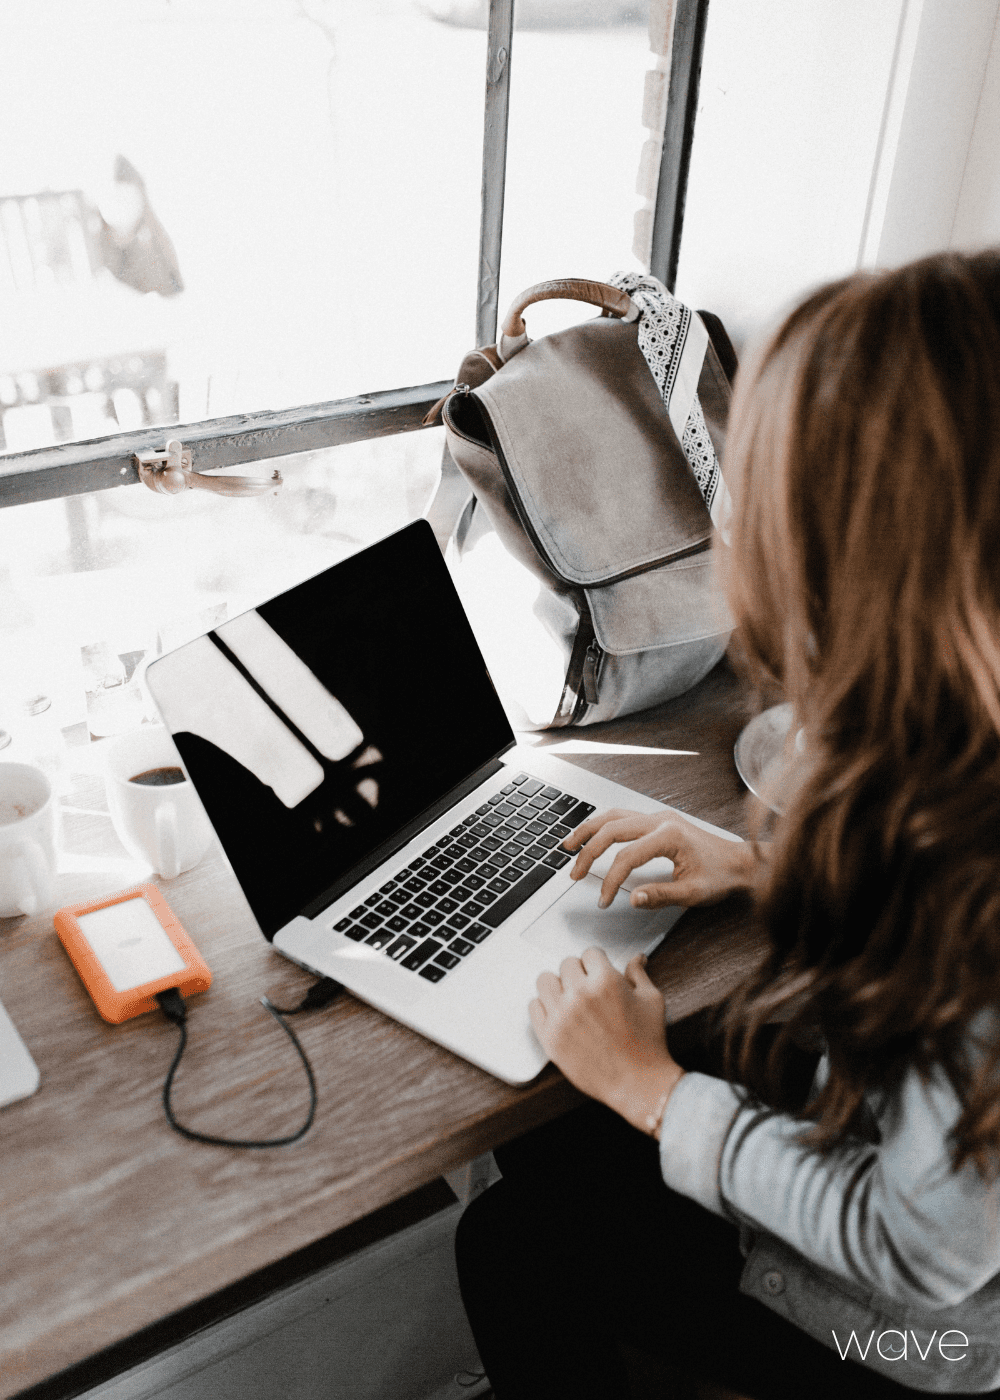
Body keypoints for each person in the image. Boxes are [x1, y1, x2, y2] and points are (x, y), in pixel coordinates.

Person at [454, 250, 1000, 1398]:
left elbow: (923, 1255)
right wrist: (762, 867)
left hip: (927, 1346)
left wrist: (650, 1088)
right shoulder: (955, 771)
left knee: (511, 1242)